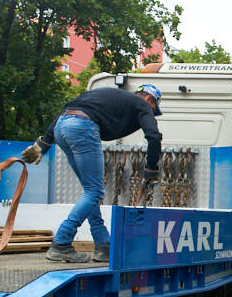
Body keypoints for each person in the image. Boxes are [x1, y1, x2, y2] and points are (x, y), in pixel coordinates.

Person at [21, 84, 163, 263]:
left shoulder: (107, 96)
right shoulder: (142, 104)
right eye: (153, 109)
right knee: (94, 191)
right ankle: (61, 243)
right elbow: (154, 136)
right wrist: (151, 169)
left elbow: (68, 110)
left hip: (62, 127)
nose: (151, 113)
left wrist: (44, 144)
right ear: (149, 98)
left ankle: (103, 245)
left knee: (90, 191)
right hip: (83, 128)